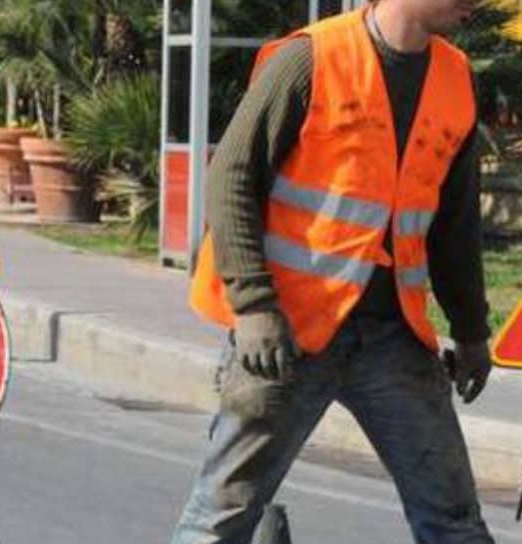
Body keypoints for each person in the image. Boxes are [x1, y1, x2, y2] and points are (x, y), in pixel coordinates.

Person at [175, 0, 496, 542]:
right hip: (289, 333)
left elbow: (455, 226)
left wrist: (471, 333)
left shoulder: (455, 78)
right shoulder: (309, 60)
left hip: (394, 341)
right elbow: (231, 177)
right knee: (221, 519)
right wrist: (253, 308)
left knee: (454, 523)